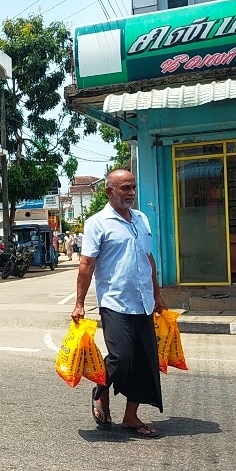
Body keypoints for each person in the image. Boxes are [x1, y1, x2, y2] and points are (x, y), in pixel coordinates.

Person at [72, 169, 165, 438]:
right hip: (115, 301)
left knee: (145, 361)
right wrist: (79, 303)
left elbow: (148, 259)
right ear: (110, 191)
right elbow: (86, 265)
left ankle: (130, 417)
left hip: (143, 302)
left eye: (133, 188)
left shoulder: (141, 219)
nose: (132, 193)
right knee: (121, 357)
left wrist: (157, 295)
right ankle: (101, 391)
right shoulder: (97, 223)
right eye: (125, 188)